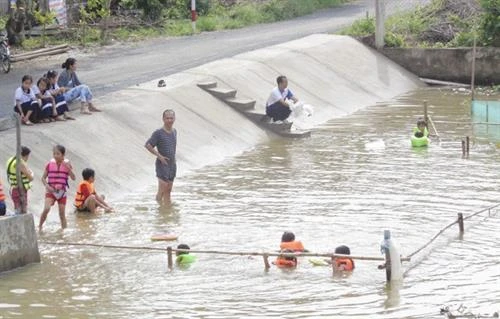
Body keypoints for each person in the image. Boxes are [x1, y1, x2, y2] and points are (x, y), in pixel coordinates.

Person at [39, 145, 76, 231]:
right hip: (50, 191)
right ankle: (40, 227)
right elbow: (43, 178)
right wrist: (47, 186)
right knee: (46, 208)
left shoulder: (67, 164)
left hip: (62, 193)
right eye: (54, 154)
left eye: (58, 154)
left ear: (63, 155)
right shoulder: (49, 164)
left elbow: (74, 178)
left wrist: (68, 169)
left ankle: (64, 231)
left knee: (62, 214)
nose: (55, 155)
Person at [145, 109, 177, 204]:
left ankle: (166, 209)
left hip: (172, 164)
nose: (170, 120)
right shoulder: (158, 133)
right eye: (167, 118)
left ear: (174, 119)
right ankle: (159, 208)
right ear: (163, 119)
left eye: (171, 118)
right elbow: (148, 145)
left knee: (169, 189)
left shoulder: (174, 131)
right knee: (162, 189)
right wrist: (160, 156)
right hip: (162, 164)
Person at [6, 146, 34, 214]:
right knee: (23, 210)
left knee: (17, 209)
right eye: (27, 156)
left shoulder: (11, 160)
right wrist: (32, 173)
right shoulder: (20, 163)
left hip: (14, 189)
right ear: (25, 155)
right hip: (20, 190)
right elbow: (30, 178)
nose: (27, 159)